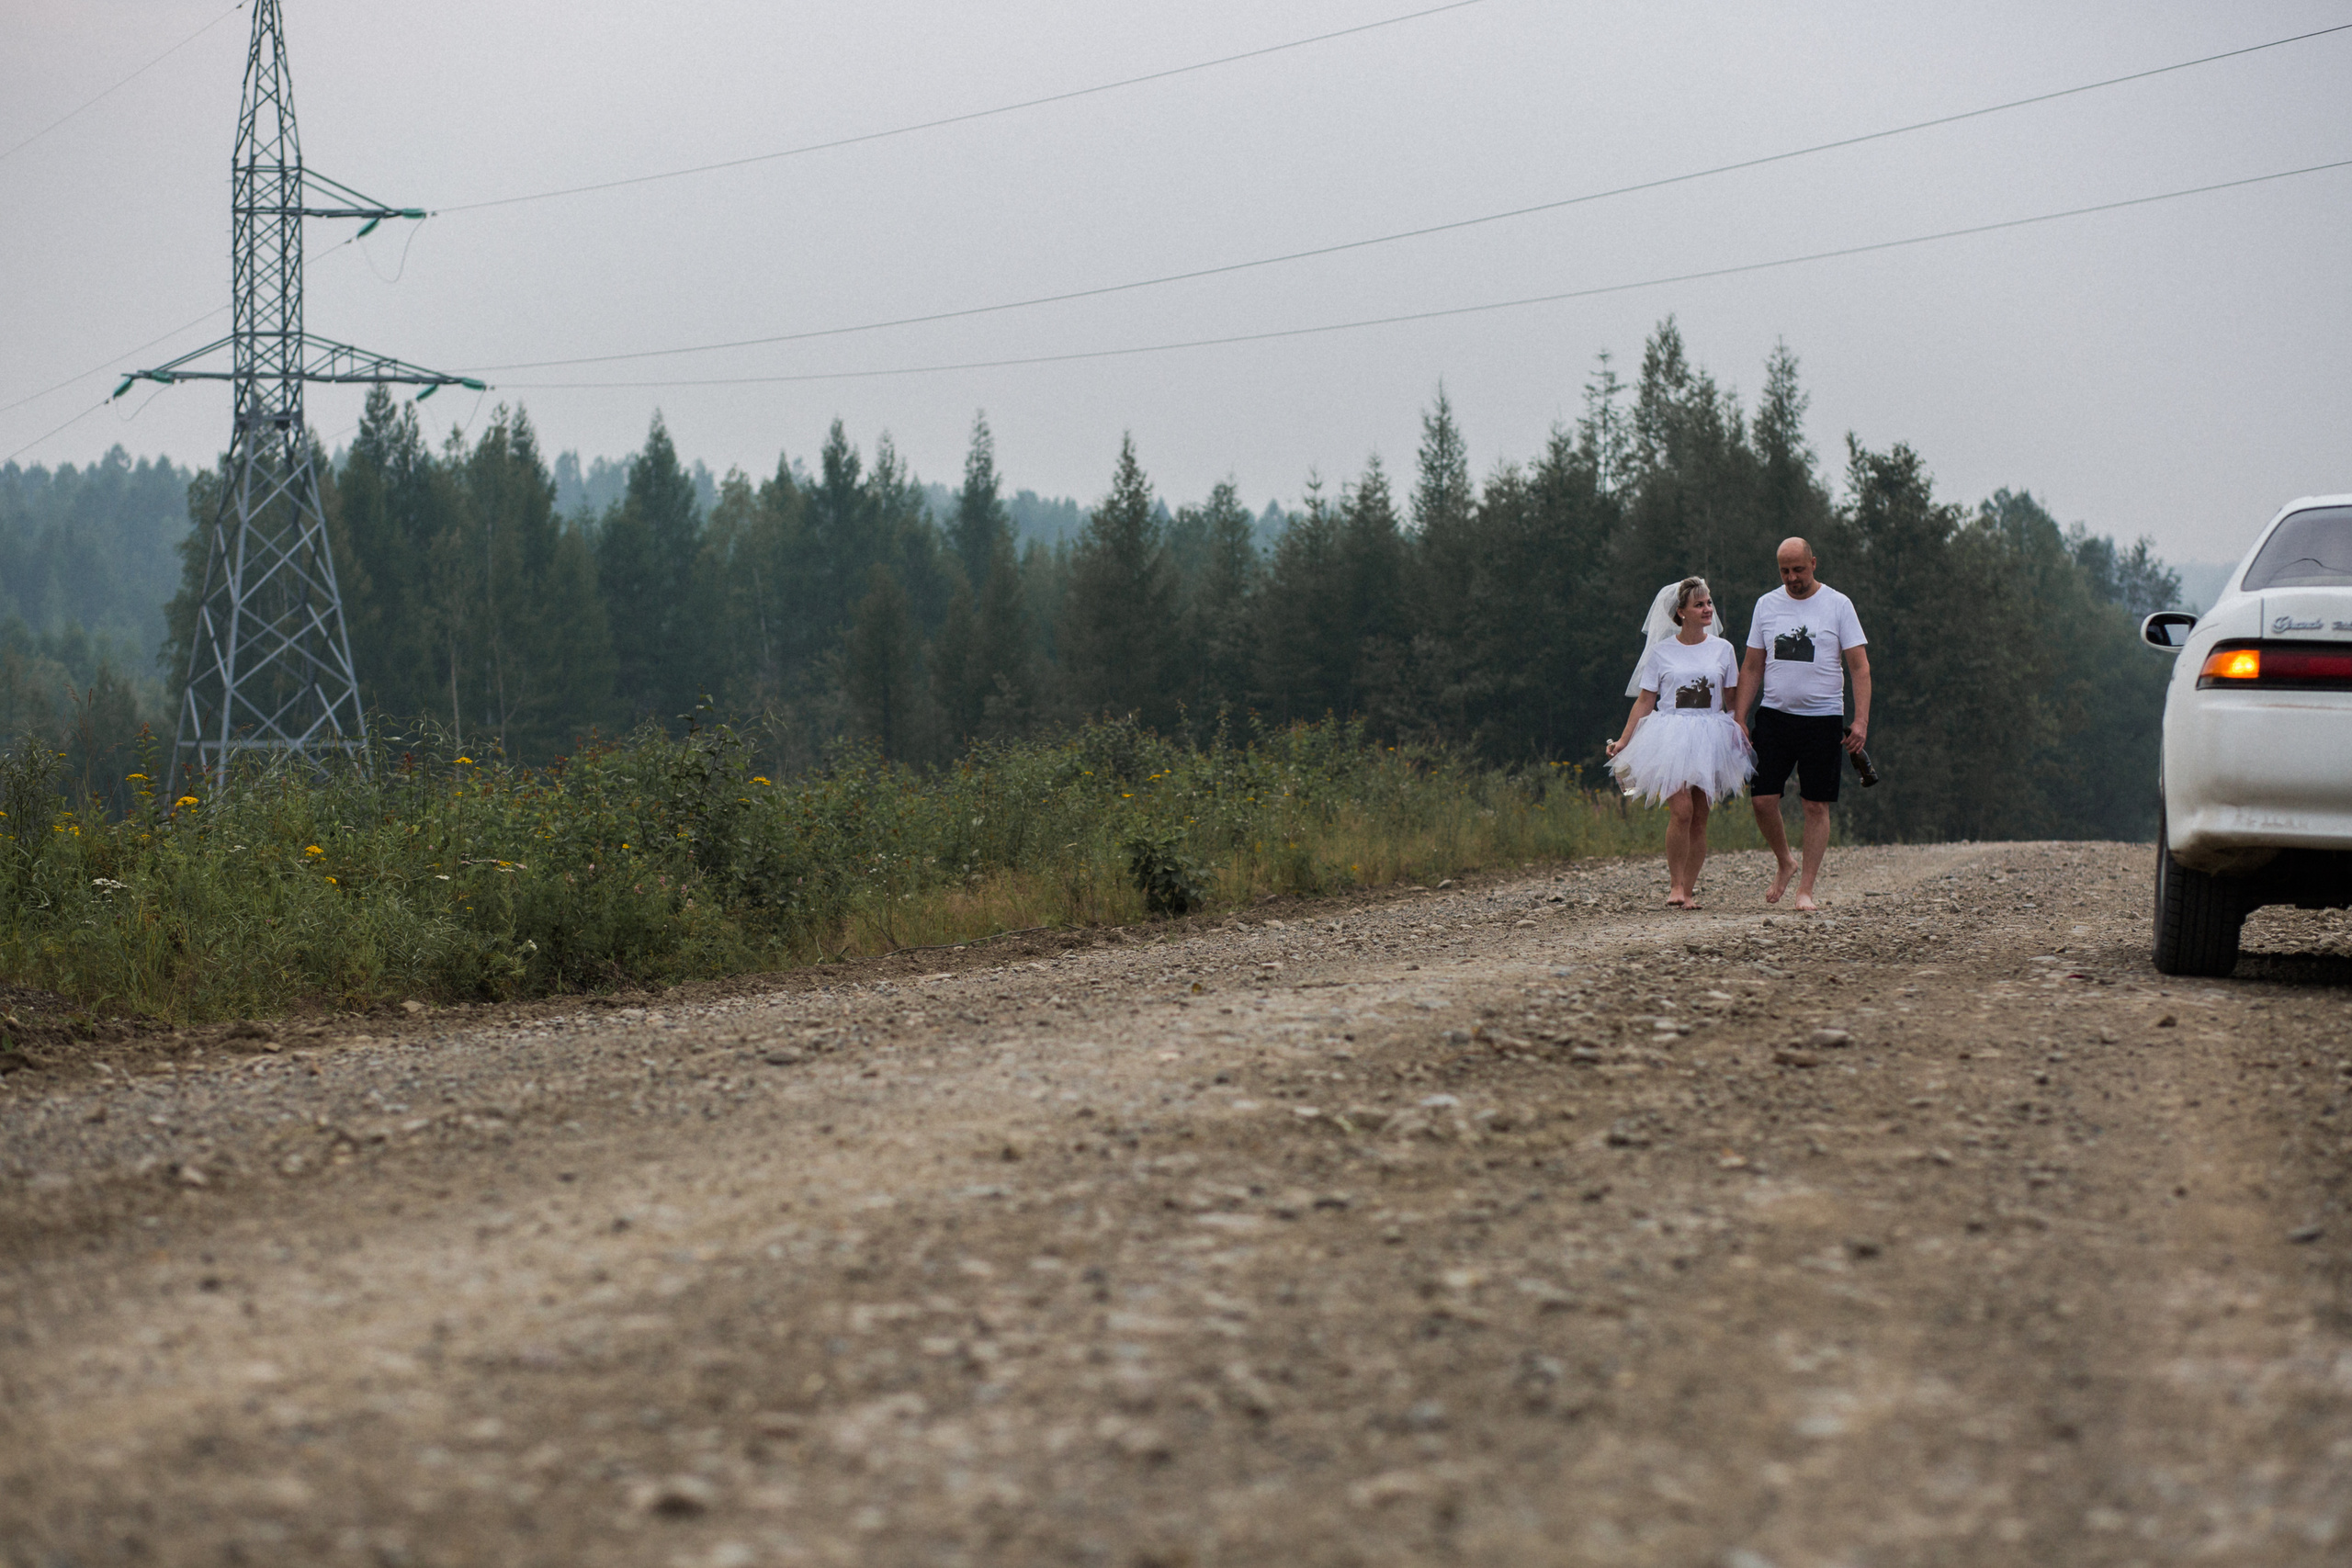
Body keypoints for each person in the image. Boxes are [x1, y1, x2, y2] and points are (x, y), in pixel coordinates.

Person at [1731, 536, 1871, 911]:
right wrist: (1739, 717)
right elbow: (1752, 665)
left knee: (1815, 805)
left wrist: (1860, 720)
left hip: (1823, 718)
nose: (1792, 578)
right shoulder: (1766, 605)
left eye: (1799, 569)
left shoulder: (1838, 605)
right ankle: (1785, 861)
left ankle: (1805, 889)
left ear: (1813, 562)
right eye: (1785, 571)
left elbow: (1859, 667)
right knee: (1762, 799)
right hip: (1775, 715)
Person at [1606, 577, 1753, 909]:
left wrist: (1739, 725)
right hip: (1670, 734)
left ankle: (1688, 891)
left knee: (1700, 815)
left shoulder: (1723, 649)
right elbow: (1645, 701)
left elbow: (1731, 698)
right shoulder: (1662, 652)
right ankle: (1674, 884)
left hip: (1710, 734)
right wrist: (1625, 740)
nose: (1707, 610)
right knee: (1682, 811)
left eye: (1709, 603)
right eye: (1699, 604)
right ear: (1681, 612)